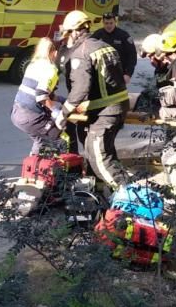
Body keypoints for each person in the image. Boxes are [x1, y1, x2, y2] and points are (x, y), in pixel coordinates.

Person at [56, 10, 130, 190]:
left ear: (75, 31)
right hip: (114, 108)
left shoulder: (82, 52)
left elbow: (81, 88)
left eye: (67, 34)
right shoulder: (103, 45)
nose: (66, 39)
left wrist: (64, 113)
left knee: (99, 158)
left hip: (106, 112)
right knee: (95, 151)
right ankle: (96, 193)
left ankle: (129, 197)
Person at [11, 37, 65, 155]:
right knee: (60, 138)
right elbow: (41, 96)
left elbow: (37, 91)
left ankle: (33, 168)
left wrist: (62, 100)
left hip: (17, 113)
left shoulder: (33, 65)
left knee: (40, 141)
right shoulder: (51, 69)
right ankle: (63, 171)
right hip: (31, 116)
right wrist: (55, 110)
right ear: (55, 53)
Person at [91, 12, 137, 86]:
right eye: (106, 23)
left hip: (119, 75)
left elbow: (132, 56)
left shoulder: (124, 35)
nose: (109, 25)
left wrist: (128, 74)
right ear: (103, 23)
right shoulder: (97, 35)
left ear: (115, 22)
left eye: (111, 23)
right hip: (100, 75)